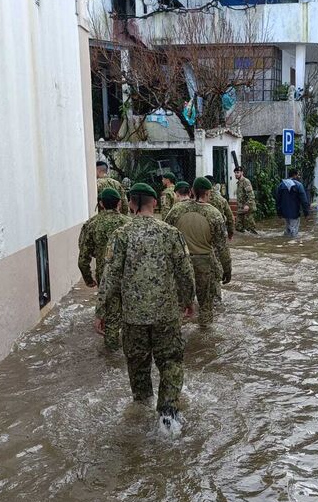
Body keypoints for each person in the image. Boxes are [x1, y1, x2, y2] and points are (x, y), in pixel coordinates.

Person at [95, 183, 196, 421]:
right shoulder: (171, 233)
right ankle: (168, 414)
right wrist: (189, 299)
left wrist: (100, 311)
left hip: (133, 319)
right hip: (167, 316)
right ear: (156, 203)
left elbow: (109, 276)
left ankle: (141, 415)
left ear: (130, 204)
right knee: (171, 363)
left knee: (138, 369)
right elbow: (185, 271)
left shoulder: (121, 235)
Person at [165, 177, 231, 327]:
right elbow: (222, 247)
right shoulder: (214, 214)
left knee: (180, 305)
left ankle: (181, 338)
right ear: (208, 193)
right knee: (206, 307)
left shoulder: (176, 210)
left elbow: (166, 236)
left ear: (192, 191)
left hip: (181, 264)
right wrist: (227, 270)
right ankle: (206, 342)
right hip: (205, 265)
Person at [78, 188, 130, 287]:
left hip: (104, 276)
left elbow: (83, 259)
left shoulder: (91, 224)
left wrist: (88, 279)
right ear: (119, 203)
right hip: (126, 276)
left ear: (101, 204)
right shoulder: (129, 223)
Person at [275, 168, 310, 237]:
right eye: (298, 175)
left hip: (285, 213)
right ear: (295, 175)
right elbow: (304, 201)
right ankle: (291, 246)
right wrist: (306, 213)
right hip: (295, 213)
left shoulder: (281, 185)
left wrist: (279, 212)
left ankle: (284, 244)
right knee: (294, 232)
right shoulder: (299, 185)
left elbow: (277, 200)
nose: (299, 177)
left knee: (288, 229)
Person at [205, 174, 235, 240]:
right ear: (214, 185)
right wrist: (230, 233)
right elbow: (230, 218)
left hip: (204, 230)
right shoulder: (222, 199)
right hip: (219, 230)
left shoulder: (200, 198)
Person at [233, 166, 257, 233]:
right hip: (241, 209)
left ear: (242, 173)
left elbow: (251, 195)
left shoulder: (246, 181)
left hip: (247, 209)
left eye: (238, 172)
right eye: (235, 173)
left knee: (250, 228)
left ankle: (255, 240)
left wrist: (247, 205)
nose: (236, 174)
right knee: (238, 227)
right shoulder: (239, 183)